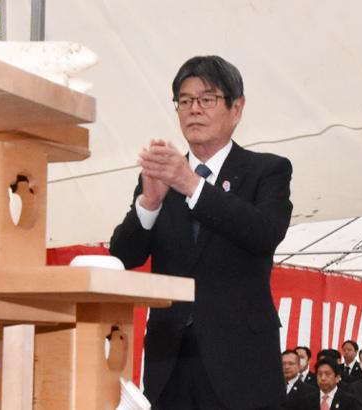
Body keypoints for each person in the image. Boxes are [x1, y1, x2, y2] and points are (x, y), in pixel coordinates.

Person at [109, 55, 293, 409]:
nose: (194, 109)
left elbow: (264, 232)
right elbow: (122, 256)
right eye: (185, 100)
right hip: (170, 360)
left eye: (207, 99)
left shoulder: (267, 171)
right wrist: (149, 203)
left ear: (236, 108)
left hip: (241, 363)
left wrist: (191, 185)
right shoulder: (161, 176)